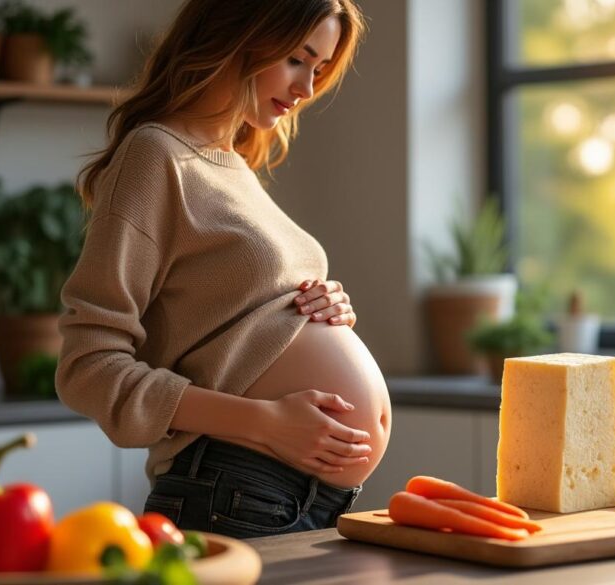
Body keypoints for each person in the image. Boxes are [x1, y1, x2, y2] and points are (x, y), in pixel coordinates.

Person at [56, 0, 392, 540]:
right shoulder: (155, 155)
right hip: (233, 487)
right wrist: (265, 422)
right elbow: (88, 367)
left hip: (308, 496)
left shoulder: (234, 166)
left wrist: (322, 308)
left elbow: (233, 323)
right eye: (296, 59)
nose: (306, 88)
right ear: (238, 34)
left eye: (319, 69)